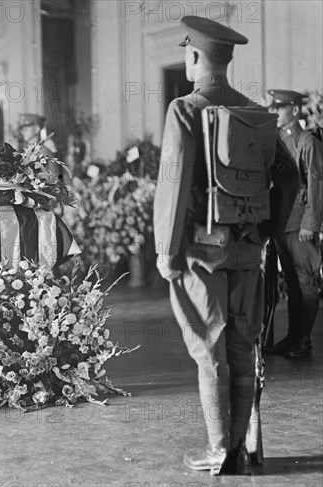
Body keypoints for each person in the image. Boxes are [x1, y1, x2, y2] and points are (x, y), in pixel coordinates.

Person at [153, 16, 299, 475]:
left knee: (208, 349)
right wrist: (267, 229)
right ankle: (241, 446)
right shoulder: (255, 113)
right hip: (247, 249)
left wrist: (166, 250)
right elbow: (289, 177)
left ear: (195, 57)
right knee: (242, 345)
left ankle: (221, 450)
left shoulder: (185, 109)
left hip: (199, 254)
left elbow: (173, 185)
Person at [266, 90, 323, 358]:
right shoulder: (277, 142)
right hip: (282, 223)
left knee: (306, 281)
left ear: (295, 111)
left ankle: (303, 341)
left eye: (280, 108)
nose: (275, 113)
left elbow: (316, 185)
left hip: (301, 224)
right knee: (291, 282)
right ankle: (293, 338)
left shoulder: (308, 142)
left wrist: (311, 223)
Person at [18, 113, 67, 184]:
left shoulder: (44, 152)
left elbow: (53, 179)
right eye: (22, 129)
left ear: (37, 129)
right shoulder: (25, 151)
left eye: (26, 128)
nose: (23, 131)